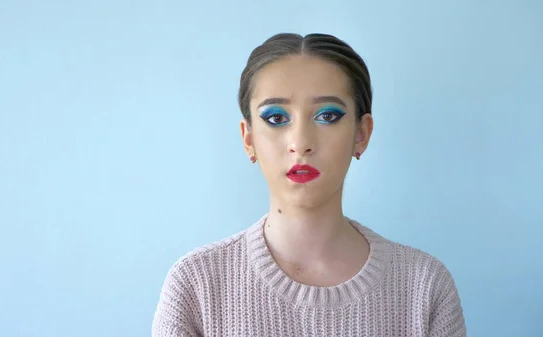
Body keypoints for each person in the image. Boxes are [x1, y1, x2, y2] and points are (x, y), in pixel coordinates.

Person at [152, 33, 467, 337]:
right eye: (276, 118)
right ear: (248, 138)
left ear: (362, 133)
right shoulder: (195, 287)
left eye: (327, 115)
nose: (300, 143)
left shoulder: (425, 287)